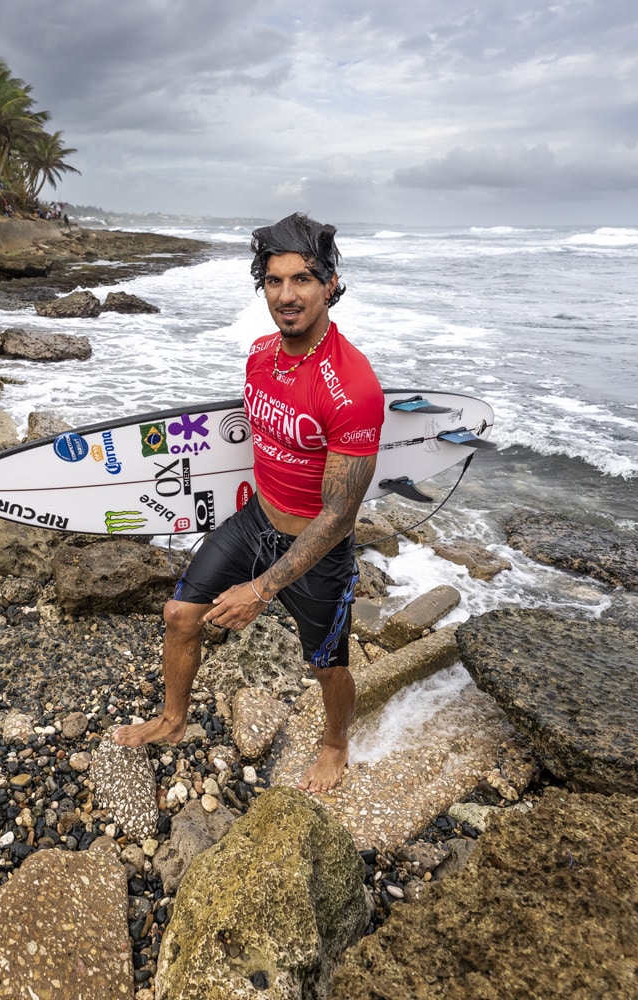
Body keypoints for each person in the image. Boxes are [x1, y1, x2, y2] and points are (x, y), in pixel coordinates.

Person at [112, 213, 385, 794]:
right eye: (273, 280)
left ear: (331, 283)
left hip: (318, 546)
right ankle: (173, 719)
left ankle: (336, 744)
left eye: (303, 280)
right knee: (179, 614)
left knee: (326, 665)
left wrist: (263, 589)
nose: (287, 296)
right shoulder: (261, 355)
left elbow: (339, 517)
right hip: (256, 519)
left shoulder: (354, 388)